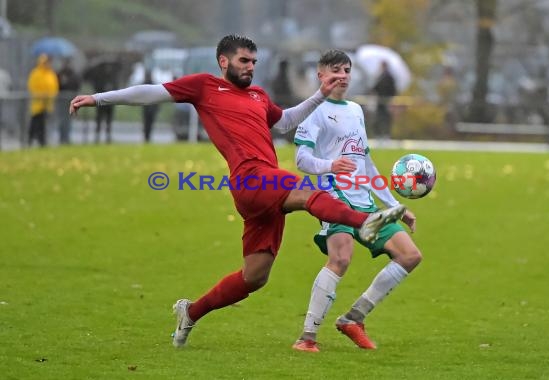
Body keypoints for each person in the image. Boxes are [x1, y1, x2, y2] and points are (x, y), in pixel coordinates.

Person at [69, 34, 406, 348]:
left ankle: (191, 312)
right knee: (305, 190)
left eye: (254, 62)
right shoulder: (204, 87)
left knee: (254, 278)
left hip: (266, 188)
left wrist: (319, 94)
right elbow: (151, 92)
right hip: (250, 178)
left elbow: (286, 122)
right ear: (223, 62)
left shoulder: (258, 95)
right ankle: (366, 221)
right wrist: (98, 99)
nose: (250, 67)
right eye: (244, 60)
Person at [291, 50, 421, 352]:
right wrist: (329, 166)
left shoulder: (355, 109)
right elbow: (301, 159)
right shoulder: (314, 110)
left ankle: (353, 318)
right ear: (321, 76)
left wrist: (394, 207)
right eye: (336, 70)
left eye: (347, 70)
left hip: (365, 202)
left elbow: (367, 163)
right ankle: (306, 337)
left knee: (410, 256)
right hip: (335, 198)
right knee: (341, 259)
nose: (343, 75)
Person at [27, 54, 59, 147]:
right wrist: (40, 95)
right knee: (35, 124)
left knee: (44, 125)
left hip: (48, 104)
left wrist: (50, 95)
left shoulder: (51, 73)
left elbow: (55, 87)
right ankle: (31, 141)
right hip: (37, 104)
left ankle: (42, 142)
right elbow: (32, 86)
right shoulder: (36, 73)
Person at [56, 57, 81, 144]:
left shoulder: (73, 74)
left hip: (70, 100)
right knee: (62, 120)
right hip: (61, 100)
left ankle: (66, 138)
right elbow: (57, 85)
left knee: (68, 120)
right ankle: (62, 138)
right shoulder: (60, 74)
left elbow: (76, 85)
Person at [372, 60, 397, 139]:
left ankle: (386, 134)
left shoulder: (389, 76)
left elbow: (392, 89)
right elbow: (375, 87)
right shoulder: (380, 75)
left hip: (386, 100)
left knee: (386, 118)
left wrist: (390, 99)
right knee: (379, 117)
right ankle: (379, 134)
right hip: (380, 100)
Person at [142, 69, 160, 143]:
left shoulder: (149, 84)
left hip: (150, 108)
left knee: (148, 124)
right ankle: (147, 138)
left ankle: (147, 138)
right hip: (147, 108)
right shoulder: (150, 84)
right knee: (147, 124)